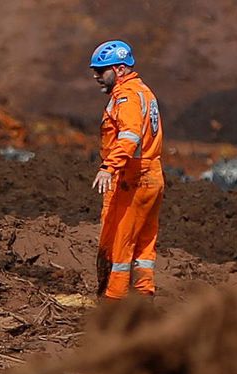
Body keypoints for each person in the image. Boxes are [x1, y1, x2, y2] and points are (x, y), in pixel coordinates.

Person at [89, 39, 164, 300]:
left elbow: (129, 136)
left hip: (134, 178)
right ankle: (143, 300)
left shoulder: (127, 96)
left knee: (120, 245)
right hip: (152, 175)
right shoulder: (144, 91)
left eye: (101, 71)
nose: (97, 77)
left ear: (119, 69)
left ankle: (114, 305)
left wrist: (109, 167)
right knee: (144, 244)